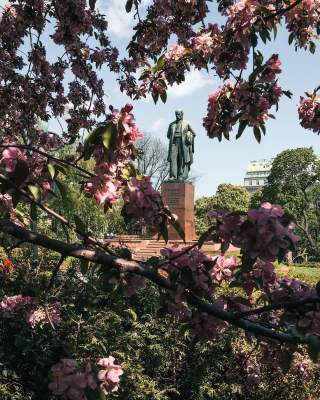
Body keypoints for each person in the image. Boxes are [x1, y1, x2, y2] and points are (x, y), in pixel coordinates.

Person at [166, 109, 195, 180]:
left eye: (178, 114)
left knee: (182, 159)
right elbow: (168, 135)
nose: (177, 116)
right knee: (173, 159)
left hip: (183, 143)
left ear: (182, 114)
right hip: (174, 142)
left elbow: (193, 133)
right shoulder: (171, 124)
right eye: (176, 114)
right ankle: (173, 176)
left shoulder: (187, 123)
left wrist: (189, 134)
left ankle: (181, 175)